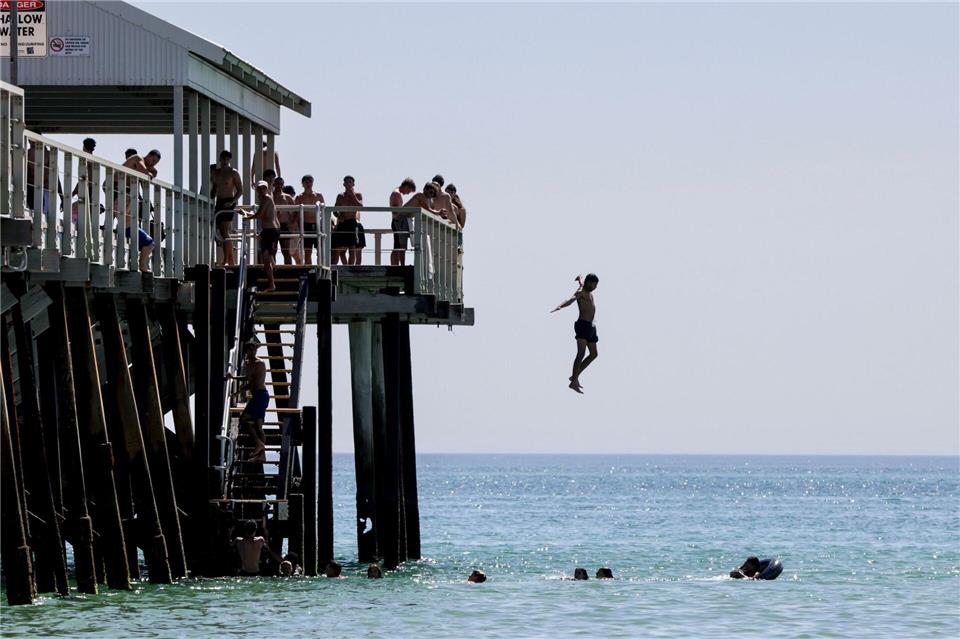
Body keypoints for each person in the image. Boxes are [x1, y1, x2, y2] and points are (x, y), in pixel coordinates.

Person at [551, 274, 599, 394]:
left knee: (593, 354)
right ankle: (574, 381)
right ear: (589, 283)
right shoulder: (581, 292)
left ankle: (574, 377)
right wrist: (560, 306)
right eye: (593, 284)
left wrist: (579, 278)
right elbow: (571, 299)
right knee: (581, 353)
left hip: (591, 327)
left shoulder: (585, 286)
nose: (595, 287)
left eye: (596, 285)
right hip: (582, 325)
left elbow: (581, 282)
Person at [120, 149, 161, 272]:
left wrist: (154, 171)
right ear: (149, 155)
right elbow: (145, 173)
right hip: (118, 188)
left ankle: (141, 263)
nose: (153, 164)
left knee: (129, 212)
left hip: (124, 192)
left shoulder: (143, 163)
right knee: (149, 242)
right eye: (153, 160)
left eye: (156, 163)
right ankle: (142, 265)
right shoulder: (138, 158)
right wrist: (152, 172)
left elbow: (148, 175)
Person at [245, 180, 280, 292]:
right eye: (259, 188)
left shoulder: (267, 198)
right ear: (256, 190)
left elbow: (259, 215)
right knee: (267, 257)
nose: (261, 190)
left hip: (271, 231)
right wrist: (245, 213)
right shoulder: (263, 199)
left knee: (265, 259)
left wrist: (247, 217)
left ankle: (272, 284)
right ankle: (274, 275)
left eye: (263, 188)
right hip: (267, 231)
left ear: (267, 188)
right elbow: (261, 214)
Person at [238, 341, 269, 461]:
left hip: (260, 396)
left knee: (243, 419)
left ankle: (259, 444)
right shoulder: (248, 363)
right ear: (246, 351)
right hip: (257, 396)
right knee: (258, 426)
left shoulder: (259, 363)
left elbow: (254, 382)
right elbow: (247, 378)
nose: (253, 352)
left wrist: (242, 389)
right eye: (250, 350)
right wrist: (233, 378)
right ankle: (262, 456)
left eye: (254, 350)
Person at [211, 150, 243, 266]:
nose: (225, 161)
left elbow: (240, 191)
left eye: (227, 159)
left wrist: (232, 202)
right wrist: (210, 199)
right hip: (219, 202)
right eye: (223, 159)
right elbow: (214, 188)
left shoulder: (233, 173)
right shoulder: (216, 173)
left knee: (225, 231)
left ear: (229, 160)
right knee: (221, 231)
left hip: (229, 201)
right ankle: (230, 260)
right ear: (220, 159)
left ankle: (227, 260)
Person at [333, 175, 364, 265]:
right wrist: (339, 216)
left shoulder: (358, 195)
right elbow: (334, 210)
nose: (348, 184)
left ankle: (351, 268)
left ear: (353, 184)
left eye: (350, 182)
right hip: (342, 222)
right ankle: (334, 268)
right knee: (337, 248)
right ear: (344, 184)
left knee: (352, 248)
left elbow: (360, 207)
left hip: (352, 222)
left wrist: (353, 195)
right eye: (346, 182)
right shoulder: (340, 196)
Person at [295, 175, 324, 265]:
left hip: (317, 225)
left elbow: (323, 211)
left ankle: (320, 267)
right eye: (306, 182)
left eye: (310, 181)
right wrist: (297, 228)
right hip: (305, 225)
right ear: (302, 184)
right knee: (308, 252)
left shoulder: (318, 196)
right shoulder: (299, 197)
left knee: (320, 251)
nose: (308, 184)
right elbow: (296, 214)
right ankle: (309, 270)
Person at [273, 176, 300, 265]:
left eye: (281, 184)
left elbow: (297, 210)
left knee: (286, 251)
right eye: (277, 184)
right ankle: (274, 270)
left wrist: (293, 222)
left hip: (284, 226)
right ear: (274, 184)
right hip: (273, 226)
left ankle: (288, 271)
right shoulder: (270, 196)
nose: (279, 186)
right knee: (273, 250)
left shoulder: (287, 197)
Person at [389, 178, 417, 266]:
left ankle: (397, 265)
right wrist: (406, 211)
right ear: (406, 186)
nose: (408, 193)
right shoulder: (396, 194)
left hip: (398, 222)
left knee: (397, 246)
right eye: (409, 190)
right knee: (400, 246)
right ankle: (400, 266)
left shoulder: (397, 193)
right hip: (398, 222)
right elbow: (395, 211)